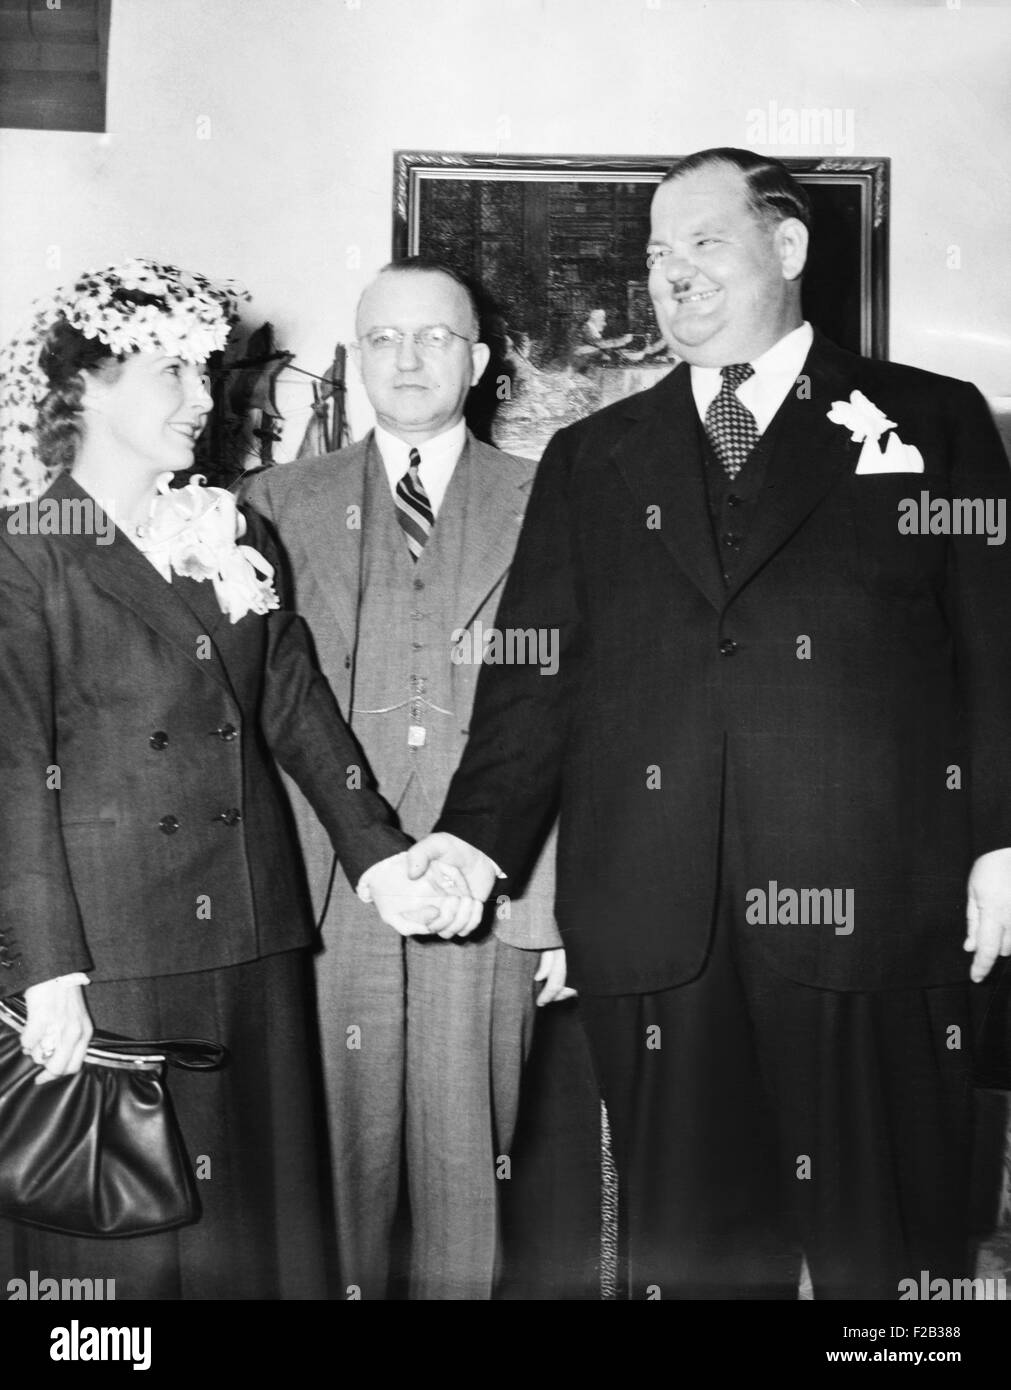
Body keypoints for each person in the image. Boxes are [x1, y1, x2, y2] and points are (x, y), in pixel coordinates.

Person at [412, 149, 1011, 1299]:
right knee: (689, 1264)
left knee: (884, 1260)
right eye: (653, 254)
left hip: (875, 914)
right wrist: (473, 839)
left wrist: (999, 838)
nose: (670, 275)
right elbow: (537, 679)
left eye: (703, 243)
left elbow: (999, 649)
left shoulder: (933, 420)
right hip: (656, 930)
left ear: (787, 250)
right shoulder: (593, 457)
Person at [0, 257, 477, 1301]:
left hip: (252, 937)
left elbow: (298, 711)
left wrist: (382, 863)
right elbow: (10, 776)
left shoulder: (231, 532)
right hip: (112, 956)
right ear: (85, 385)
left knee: (255, 1239)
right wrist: (45, 970)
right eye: (171, 371)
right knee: (123, 1249)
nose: (201, 397)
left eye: (205, 370)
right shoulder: (29, 553)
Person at [246, 258, 570, 1300]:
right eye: (382, 338)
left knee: (467, 1172)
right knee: (325, 1177)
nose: (408, 357)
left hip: (495, 889)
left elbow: (582, 711)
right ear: (357, 357)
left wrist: (557, 910)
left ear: (479, 362)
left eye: (435, 337)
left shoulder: (550, 502)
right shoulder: (272, 501)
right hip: (323, 889)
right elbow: (252, 709)